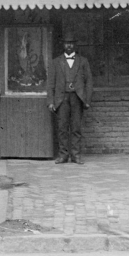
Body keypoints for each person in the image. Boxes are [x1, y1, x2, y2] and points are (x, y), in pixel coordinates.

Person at [45, 34, 93, 164]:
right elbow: (50, 84)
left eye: (71, 43)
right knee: (62, 128)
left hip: (77, 98)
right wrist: (50, 101)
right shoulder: (55, 62)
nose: (69, 46)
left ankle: (76, 155)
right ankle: (63, 155)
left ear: (75, 45)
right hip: (61, 99)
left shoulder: (83, 61)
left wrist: (87, 100)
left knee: (76, 128)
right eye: (66, 43)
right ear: (63, 45)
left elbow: (88, 82)